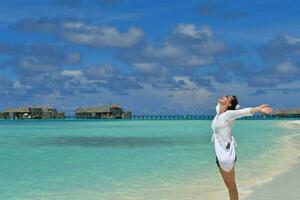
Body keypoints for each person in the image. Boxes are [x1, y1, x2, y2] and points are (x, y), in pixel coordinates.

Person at [211, 95, 272, 200]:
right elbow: (221, 107)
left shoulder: (228, 114)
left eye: (227, 98)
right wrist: (225, 103)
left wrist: (257, 109)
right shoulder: (219, 112)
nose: (224, 96)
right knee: (229, 186)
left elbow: (242, 112)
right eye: (226, 96)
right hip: (219, 154)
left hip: (226, 155)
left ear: (229, 104)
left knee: (232, 186)